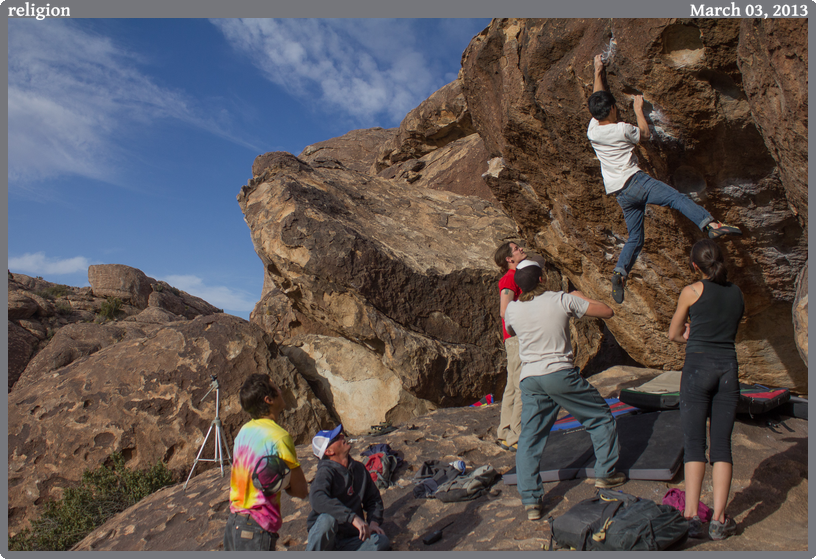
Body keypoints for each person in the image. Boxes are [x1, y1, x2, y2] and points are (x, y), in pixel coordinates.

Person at [587, 53, 741, 304]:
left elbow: (597, 99)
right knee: (676, 198)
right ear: (613, 108)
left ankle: (620, 271)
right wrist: (638, 110)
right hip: (636, 182)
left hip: (619, 193)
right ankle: (711, 225)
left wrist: (598, 71)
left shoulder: (593, 130)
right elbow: (645, 134)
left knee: (636, 237)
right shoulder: (622, 129)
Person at [504, 262, 625, 521]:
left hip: (530, 378)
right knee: (600, 416)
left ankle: (531, 501)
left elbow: (511, 328)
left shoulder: (513, 309)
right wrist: (580, 297)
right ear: (542, 278)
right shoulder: (561, 299)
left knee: (530, 438)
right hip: (559, 373)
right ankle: (605, 473)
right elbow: (607, 311)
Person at [668, 239, 744, 541]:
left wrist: (690, 334)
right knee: (722, 446)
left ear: (695, 265)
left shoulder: (691, 291)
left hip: (698, 368)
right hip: (728, 368)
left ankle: (691, 518)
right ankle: (719, 519)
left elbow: (674, 333)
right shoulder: (737, 292)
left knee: (695, 443)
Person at [224, 374, 308, 551]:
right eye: (277, 388)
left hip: (234, 522)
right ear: (268, 399)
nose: (281, 390)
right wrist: (283, 482)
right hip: (256, 527)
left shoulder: (243, 432)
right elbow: (300, 490)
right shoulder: (279, 437)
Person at [306, 424, 391, 551]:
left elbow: (373, 499)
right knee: (327, 520)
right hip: (328, 541)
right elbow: (317, 499)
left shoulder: (359, 469)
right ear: (329, 451)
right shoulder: (325, 473)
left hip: (350, 540)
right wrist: (352, 517)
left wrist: (373, 522)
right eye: (336, 438)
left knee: (381, 541)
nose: (342, 436)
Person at [492, 241, 529, 452]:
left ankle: (505, 432)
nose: (521, 249)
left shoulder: (516, 277)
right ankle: (516, 436)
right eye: (516, 249)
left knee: (512, 385)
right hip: (517, 338)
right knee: (521, 384)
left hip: (514, 337)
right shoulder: (510, 278)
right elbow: (504, 311)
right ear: (509, 259)